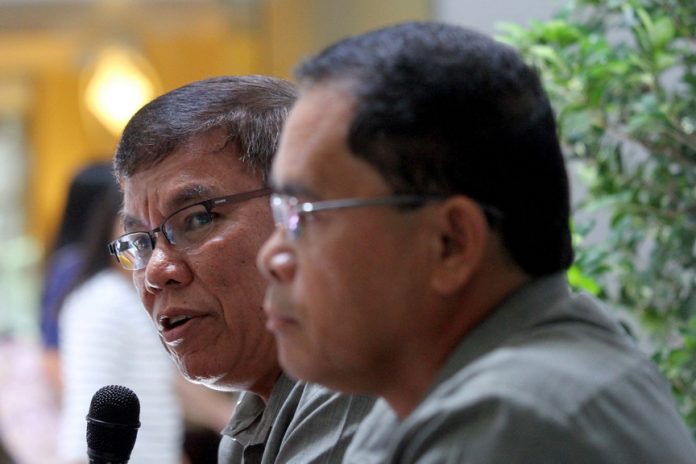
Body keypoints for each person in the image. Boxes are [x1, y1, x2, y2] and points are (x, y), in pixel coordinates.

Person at [256, 22, 696, 463]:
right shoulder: (432, 388)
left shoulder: (513, 421)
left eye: (305, 215)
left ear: (450, 243)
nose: (271, 258)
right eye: (280, 211)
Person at [109, 75, 374, 463]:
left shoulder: (353, 378)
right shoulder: (250, 417)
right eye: (141, 242)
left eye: (198, 219)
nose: (157, 271)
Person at [57, 183, 186, 463]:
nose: (151, 241)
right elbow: (89, 408)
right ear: (110, 230)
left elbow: (164, 390)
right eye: (134, 226)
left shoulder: (135, 300)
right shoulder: (102, 301)